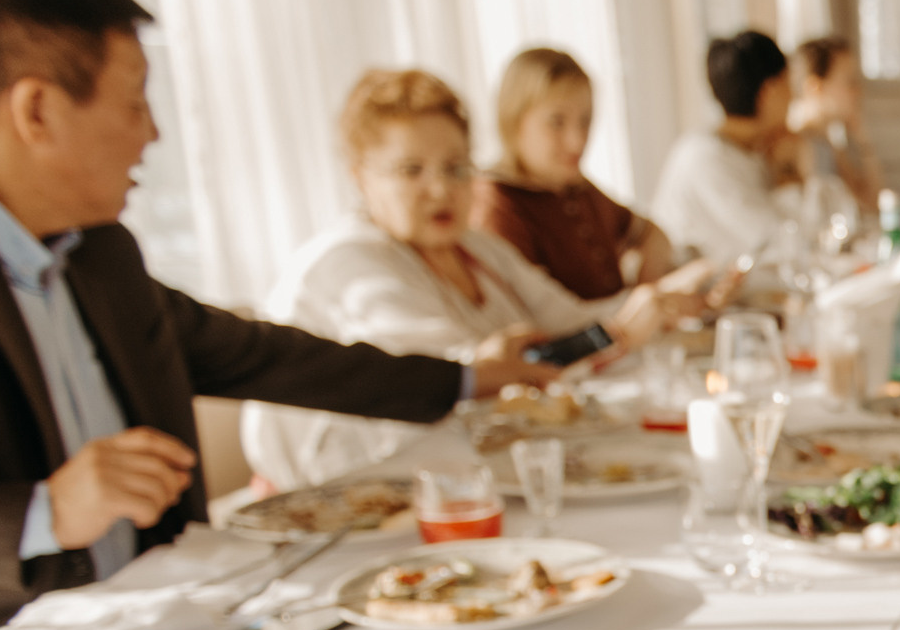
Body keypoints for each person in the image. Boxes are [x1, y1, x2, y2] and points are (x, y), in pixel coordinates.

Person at [0, 0, 535, 630]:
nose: (153, 135)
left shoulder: (99, 251)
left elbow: (255, 354)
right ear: (36, 110)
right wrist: (40, 512)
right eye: (134, 102)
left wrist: (462, 382)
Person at [244, 68, 704, 490]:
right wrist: (616, 332)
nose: (441, 189)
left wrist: (652, 303)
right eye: (411, 170)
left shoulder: (476, 248)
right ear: (361, 177)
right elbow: (456, 378)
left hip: (458, 474)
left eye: (456, 167)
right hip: (347, 500)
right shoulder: (348, 262)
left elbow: (566, 320)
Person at [471, 46, 678, 301]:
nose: (577, 141)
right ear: (514, 120)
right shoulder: (497, 204)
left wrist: (648, 290)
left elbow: (651, 234)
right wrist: (642, 303)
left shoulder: (572, 185)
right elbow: (540, 317)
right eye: (556, 122)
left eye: (585, 120)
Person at [652, 31, 798, 266]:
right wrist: (787, 172)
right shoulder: (705, 158)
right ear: (768, 92)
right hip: (692, 293)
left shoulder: (755, 149)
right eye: (788, 84)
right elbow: (781, 244)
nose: (793, 96)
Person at [788, 35, 880, 216]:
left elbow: (872, 204)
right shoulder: (798, 145)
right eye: (850, 82)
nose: (858, 91)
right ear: (815, 87)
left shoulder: (827, 141)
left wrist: (863, 142)